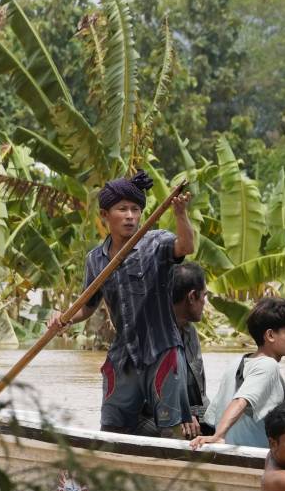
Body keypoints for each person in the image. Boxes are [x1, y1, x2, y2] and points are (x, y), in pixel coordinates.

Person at [70, 171, 196, 437]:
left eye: (135, 209)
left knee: (171, 428)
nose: (130, 216)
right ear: (105, 215)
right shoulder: (96, 259)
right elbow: (88, 304)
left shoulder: (156, 243)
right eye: (122, 209)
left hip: (162, 350)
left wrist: (181, 214)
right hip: (124, 354)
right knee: (112, 428)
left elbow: (186, 247)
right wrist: (65, 318)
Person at [196, 297, 285, 451]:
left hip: (232, 448)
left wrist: (219, 434)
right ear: (270, 335)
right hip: (257, 455)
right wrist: (218, 436)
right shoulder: (268, 365)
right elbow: (241, 401)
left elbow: (213, 416)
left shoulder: (237, 362)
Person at [167, 262, 209, 440]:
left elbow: (199, 392)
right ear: (192, 297)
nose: (204, 303)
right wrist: (181, 415)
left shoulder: (190, 331)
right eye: (204, 296)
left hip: (196, 414)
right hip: (165, 414)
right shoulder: (155, 336)